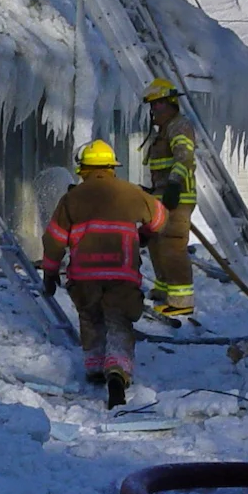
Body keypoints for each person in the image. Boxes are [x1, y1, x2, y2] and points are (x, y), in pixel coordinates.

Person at [41, 139, 167, 409]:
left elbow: (54, 239)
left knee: (91, 318)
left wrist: (50, 272)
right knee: (119, 323)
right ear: (112, 167)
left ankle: (96, 368)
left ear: (83, 169)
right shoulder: (130, 193)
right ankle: (117, 375)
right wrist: (141, 234)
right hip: (122, 274)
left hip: (84, 277)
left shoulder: (72, 198)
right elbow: (159, 219)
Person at [141, 77, 198, 318]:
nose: (154, 110)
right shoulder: (163, 131)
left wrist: (174, 185)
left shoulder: (179, 126)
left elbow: (184, 157)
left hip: (178, 198)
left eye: (158, 105)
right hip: (162, 197)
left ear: (171, 103)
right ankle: (164, 289)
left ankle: (181, 300)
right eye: (152, 106)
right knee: (156, 242)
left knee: (173, 245)